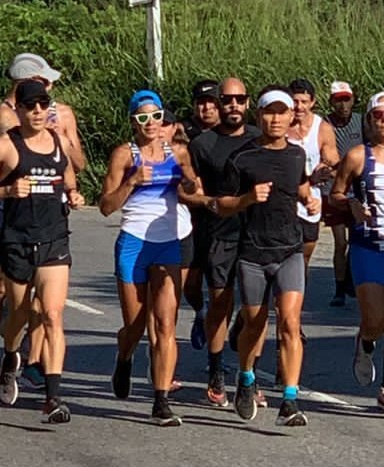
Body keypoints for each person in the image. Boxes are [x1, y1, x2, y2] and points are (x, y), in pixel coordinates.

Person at [0, 53, 86, 395]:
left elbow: (75, 167)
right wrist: (8, 189)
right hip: (12, 222)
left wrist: (72, 188)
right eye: (35, 101)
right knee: (15, 306)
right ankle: (4, 353)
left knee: (51, 311)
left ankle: (51, 391)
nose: (42, 107)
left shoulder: (59, 127)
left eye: (45, 101)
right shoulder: (4, 127)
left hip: (53, 228)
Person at [213, 86, 320, 426]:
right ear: (259, 116)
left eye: (282, 112)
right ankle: (246, 376)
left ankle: (290, 399)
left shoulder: (296, 155)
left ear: (292, 116)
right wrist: (247, 198)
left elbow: (299, 185)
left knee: (290, 323)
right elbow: (222, 205)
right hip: (253, 254)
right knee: (255, 325)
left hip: (289, 249)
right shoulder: (242, 158)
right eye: (269, 112)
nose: (276, 118)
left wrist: (309, 199)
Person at [100, 90, 199, 426]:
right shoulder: (124, 156)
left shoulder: (179, 152)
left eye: (156, 116)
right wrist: (131, 182)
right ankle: (124, 354)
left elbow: (193, 190)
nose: (151, 124)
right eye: (143, 118)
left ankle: (161, 400)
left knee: (165, 324)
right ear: (133, 123)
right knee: (136, 324)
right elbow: (105, 206)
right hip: (133, 242)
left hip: (168, 243)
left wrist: (192, 184)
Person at [188, 77, 265, 408]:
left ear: (247, 103)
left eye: (240, 99)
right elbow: (192, 191)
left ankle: (250, 376)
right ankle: (217, 371)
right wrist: (208, 203)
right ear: (218, 103)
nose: (233, 105)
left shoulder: (259, 139)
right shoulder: (202, 144)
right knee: (221, 304)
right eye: (227, 99)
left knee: (256, 311)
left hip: (258, 235)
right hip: (218, 234)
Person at [331, 91, 384, 412]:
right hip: (368, 246)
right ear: (369, 120)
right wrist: (353, 205)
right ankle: (366, 341)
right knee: (375, 320)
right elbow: (336, 194)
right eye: (378, 115)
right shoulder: (359, 156)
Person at [287, 78, 340, 279]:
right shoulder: (280, 124)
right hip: (284, 200)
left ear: (312, 102)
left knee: (303, 260)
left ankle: (297, 302)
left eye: (303, 102)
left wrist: (325, 169)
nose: (299, 107)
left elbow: (334, 164)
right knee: (284, 259)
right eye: (295, 102)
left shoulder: (322, 127)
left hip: (311, 204)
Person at [183, 79, 221, 352]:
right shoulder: (184, 133)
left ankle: (217, 344)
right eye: (201, 102)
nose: (206, 107)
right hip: (193, 217)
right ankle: (200, 310)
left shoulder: (232, 133)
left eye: (212, 102)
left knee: (222, 285)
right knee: (191, 282)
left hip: (224, 216)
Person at [324, 81, 364, 307]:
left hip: (358, 189)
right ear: (331, 101)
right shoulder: (325, 124)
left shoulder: (361, 123)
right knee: (340, 242)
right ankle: (339, 288)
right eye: (338, 99)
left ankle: (356, 282)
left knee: (359, 241)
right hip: (333, 189)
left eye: (346, 98)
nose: (343, 104)